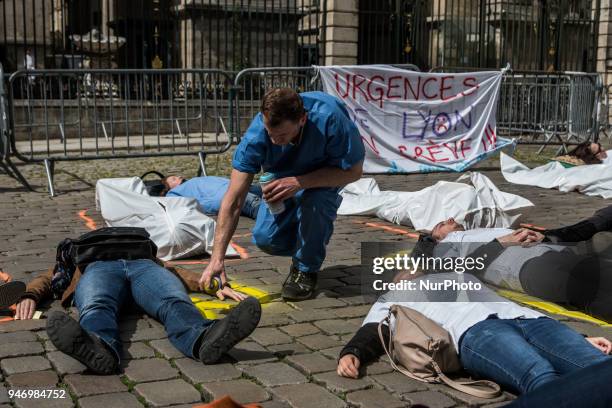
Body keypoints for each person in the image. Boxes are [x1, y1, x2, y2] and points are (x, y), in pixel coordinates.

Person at [200, 88, 365, 301]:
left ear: (302, 120)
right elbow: (233, 200)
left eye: (282, 135)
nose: (275, 141)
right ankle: (311, 235)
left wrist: (300, 182)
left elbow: (354, 171)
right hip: (283, 174)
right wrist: (216, 259)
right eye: (270, 133)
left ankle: (305, 270)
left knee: (316, 202)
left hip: (325, 172)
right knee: (266, 238)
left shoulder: (330, 119)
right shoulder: (256, 135)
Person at [337, 271, 612, 396]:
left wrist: (579, 338)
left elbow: (513, 302)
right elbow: (375, 329)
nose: (410, 269)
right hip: (479, 332)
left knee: (597, 366)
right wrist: (353, 353)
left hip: (532, 320)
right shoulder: (394, 297)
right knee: (541, 377)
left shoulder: (459, 275)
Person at [14, 256, 261, 375]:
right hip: (99, 268)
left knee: (173, 301)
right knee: (97, 305)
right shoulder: (81, 254)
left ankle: (204, 338)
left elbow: (177, 271)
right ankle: (99, 347)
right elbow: (50, 276)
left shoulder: (147, 254)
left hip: (145, 268)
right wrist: (30, 295)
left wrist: (212, 284)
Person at [416, 205, 612, 319]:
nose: (450, 219)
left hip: (555, 253)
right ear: (436, 238)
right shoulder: (448, 245)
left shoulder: (483, 231)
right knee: (590, 293)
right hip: (528, 268)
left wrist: (544, 237)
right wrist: (499, 244)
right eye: (442, 224)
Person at [162, 175, 262, 219]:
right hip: (229, 194)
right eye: (174, 179)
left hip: (239, 186)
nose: (179, 177)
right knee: (258, 207)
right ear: (169, 188)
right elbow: (170, 203)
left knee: (272, 191)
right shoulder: (173, 193)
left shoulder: (194, 182)